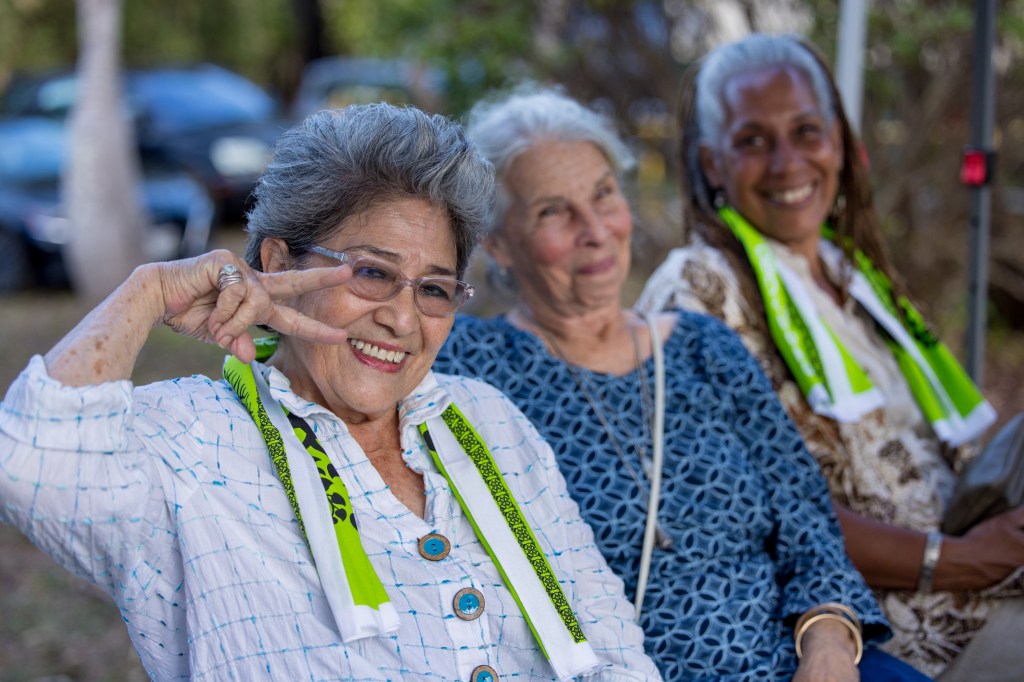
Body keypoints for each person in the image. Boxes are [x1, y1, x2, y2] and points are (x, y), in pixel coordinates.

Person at [0, 103, 662, 681]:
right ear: (277, 266)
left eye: (434, 288)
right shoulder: (193, 445)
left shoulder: (486, 420)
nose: (402, 319)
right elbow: (30, 465)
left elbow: (613, 648)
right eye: (371, 273)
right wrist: (147, 292)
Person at [432, 86, 932, 682]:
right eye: (552, 212)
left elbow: (811, 529)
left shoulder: (703, 347)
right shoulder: (470, 366)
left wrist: (827, 645)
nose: (595, 229)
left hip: (797, 662)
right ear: (497, 243)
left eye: (603, 194)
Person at [635, 33, 1024, 680]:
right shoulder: (698, 289)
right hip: (878, 632)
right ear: (711, 164)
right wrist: (955, 561)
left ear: (839, 143)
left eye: (806, 131)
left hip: (979, 585)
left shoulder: (857, 277)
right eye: (753, 140)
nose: (787, 162)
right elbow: (734, 508)